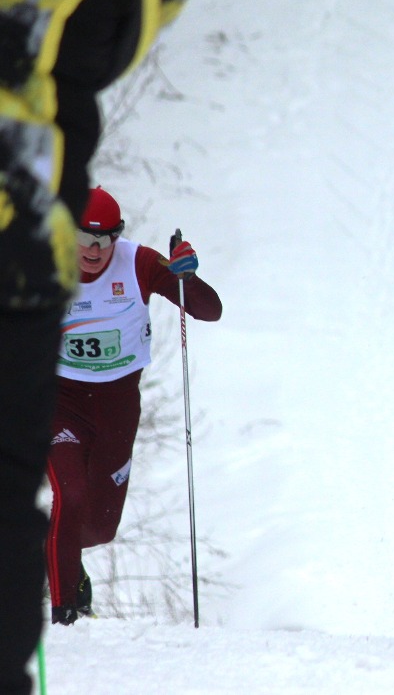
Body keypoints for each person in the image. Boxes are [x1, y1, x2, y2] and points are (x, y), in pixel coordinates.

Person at [0, 0, 194, 684]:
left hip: (33, 211)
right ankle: (57, 609)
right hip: (28, 219)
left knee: (64, 509)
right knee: (45, 490)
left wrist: (182, 276)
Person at [46, 187, 220, 624]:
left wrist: (186, 277)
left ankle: (55, 549)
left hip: (117, 406)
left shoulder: (138, 262)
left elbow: (209, 310)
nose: (94, 251)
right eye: (85, 239)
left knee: (99, 527)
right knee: (70, 495)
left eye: (105, 241)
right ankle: (68, 611)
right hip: (60, 403)